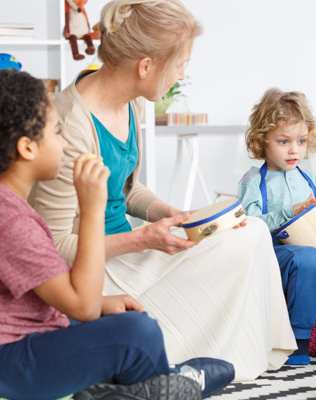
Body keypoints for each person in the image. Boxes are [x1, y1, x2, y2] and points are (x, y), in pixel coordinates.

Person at [30, 0, 296, 382]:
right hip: (92, 270)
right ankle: (201, 357)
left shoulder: (132, 101)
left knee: (249, 228)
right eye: (180, 64)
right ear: (145, 66)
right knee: (241, 242)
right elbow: (54, 244)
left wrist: (173, 215)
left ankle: (248, 349)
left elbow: (128, 189)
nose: (182, 74)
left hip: (125, 247)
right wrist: (142, 241)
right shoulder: (71, 125)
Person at [0, 70, 234, 400]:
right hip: (13, 365)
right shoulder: (12, 220)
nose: (64, 142)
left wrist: (102, 303)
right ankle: (171, 383)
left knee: (128, 321)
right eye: (56, 132)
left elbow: (40, 293)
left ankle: (128, 389)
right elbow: (81, 305)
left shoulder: (8, 207)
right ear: (27, 147)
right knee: (137, 333)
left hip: (25, 344)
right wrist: (92, 208)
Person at [238, 88, 316, 365]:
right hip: (272, 254)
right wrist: (288, 213)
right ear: (263, 140)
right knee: (307, 256)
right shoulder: (253, 180)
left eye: (301, 141)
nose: (294, 150)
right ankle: (299, 339)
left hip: (312, 251)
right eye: (284, 141)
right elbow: (248, 225)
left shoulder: (308, 179)